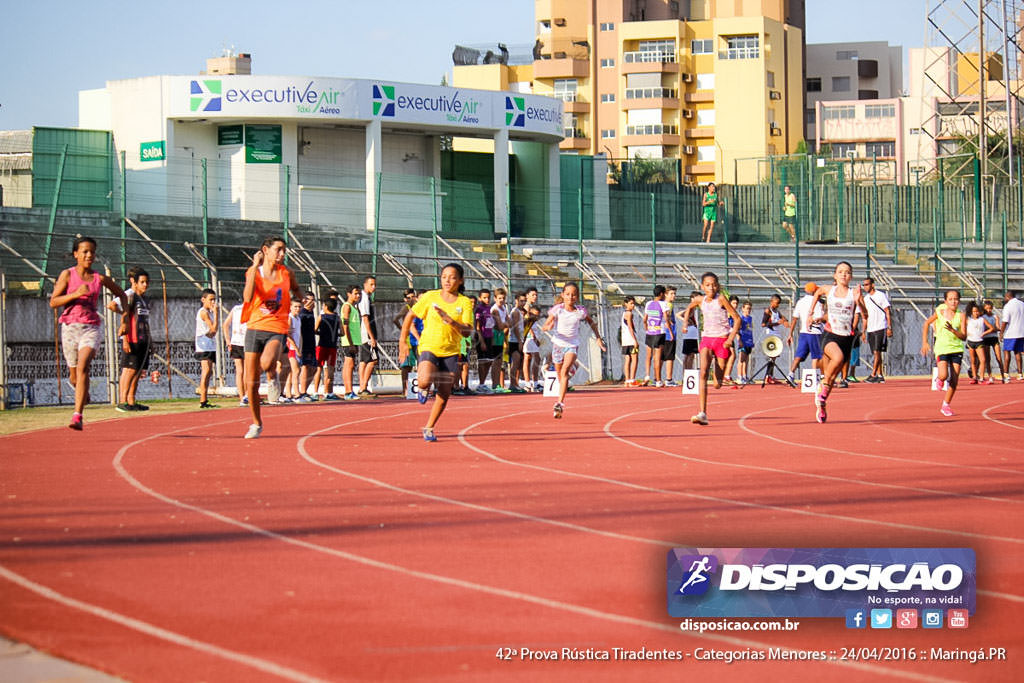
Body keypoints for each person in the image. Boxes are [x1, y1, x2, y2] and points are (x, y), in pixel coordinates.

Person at [50, 236, 128, 430]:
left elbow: (122, 295)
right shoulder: (67, 275)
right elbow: (53, 302)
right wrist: (75, 294)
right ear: (76, 254)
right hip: (70, 328)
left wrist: (124, 319)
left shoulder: (98, 278)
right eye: (84, 251)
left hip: (91, 327)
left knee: (84, 365)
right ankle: (82, 392)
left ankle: (78, 416)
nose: (89, 255)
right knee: (75, 376)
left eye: (92, 251)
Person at [399, 263, 475, 442]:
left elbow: (467, 331)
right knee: (424, 381)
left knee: (444, 391)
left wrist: (452, 322)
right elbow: (410, 316)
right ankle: (424, 389)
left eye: (452, 277)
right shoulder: (430, 297)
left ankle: (429, 427)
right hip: (429, 346)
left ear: (460, 280)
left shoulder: (464, 302)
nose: (447, 280)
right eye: (444, 276)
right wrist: (403, 341)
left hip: (450, 351)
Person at [241, 236, 302, 439]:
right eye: (278, 249)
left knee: (267, 362)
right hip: (254, 327)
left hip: (277, 327)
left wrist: (300, 301)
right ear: (265, 250)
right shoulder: (254, 272)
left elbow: (296, 289)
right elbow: (247, 297)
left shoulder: (286, 273)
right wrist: (254, 267)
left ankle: (273, 375)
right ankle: (256, 423)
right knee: (251, 382)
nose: (282, 254)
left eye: (284, 250)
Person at [808, 262, 870, 424]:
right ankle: (822, 385)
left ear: (851, 276)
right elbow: (817, 292)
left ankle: (821, 404)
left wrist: (859, 301)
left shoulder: (854, 293)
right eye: (840, 272)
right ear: (835, 275)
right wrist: (811, 313)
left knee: (832, 378)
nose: (844, 274)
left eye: (847, 272)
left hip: (846, 337)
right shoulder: (829, 290)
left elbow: (865, 315)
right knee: (837, 358)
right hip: (830, 335)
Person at [680, 272, 740, 425]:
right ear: (702, 286)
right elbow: (689, 307)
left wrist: (730, 339)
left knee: (717, 384)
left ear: (717, 286)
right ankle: (702, 412)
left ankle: (718, 373)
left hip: (722, 340)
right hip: (707, 339)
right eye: (707, 285)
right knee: (703, 372)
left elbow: (737, 319)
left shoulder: (721, 299)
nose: (711, 287)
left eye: (713, 284)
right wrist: (685, 323)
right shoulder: (700, 300)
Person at [541, 282, 606, 418]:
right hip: (558, 344)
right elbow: (546, 325)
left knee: (564, 372)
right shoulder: (557, 310)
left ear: (577, 296)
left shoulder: (580, 311)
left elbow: (591, 322)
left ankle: (559, 403)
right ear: (563, 295)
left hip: (572, 345)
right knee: (560, 376)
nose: (570, 297)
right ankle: (572, 370)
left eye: (574, 295)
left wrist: (598, 338)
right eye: (568, 294)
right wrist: (548, 326)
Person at [110, 266, 155, 412]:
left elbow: (145, 322)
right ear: (134, 282)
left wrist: (151, 342)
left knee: (137, 371)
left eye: (147, 282)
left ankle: (131, 400)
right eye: (142, 282)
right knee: (128, 370)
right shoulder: (129, 296)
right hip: (132, 338)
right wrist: (125, 338)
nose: (145, 285)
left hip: (143, 339)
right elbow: (115, 308)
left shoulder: (145, 300)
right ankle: (122, 401)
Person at [922, 290, 967, 417]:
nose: (954, 301)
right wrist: (925, 342)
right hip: (942, 348)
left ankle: (946, 405)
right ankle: (939, 379)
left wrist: (953, 330)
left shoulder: (961, 315)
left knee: (954, 379)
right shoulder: (940, 311)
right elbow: (926, 323)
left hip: (956, 349)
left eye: (956, 299)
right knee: (943, 375)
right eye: (951, 299)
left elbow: (963, 336)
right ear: (945, 301)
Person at [787, 282, 825, 384]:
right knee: (817, 356)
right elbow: (819, 318)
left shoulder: (800, 302)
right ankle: (815, 378)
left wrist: (790, 333)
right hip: (815, 332)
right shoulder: (817, 303)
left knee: (798, 356)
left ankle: (790, 374)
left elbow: (795, 319)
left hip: (803, 332)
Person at [861, 277, 893, 383]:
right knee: (876, 352)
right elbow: (865, 316)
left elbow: (887, 311)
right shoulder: (865, 299)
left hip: (880, 327)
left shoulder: (881, 295)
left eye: (867, 284)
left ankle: (873, 374)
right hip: (870, 328)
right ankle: (880, 375)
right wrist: (863, 331)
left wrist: (889, 327)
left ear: (872, 285)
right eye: (864, 285)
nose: (865, 287)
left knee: (877, 352)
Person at [393, 288, 422, 396]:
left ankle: (418, 388)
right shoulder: (407, 308)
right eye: (408, 298)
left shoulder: (418, 307)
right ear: (405, 299)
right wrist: (403, 329)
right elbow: (395, 319)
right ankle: (404, 389)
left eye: (412, 297)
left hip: (417, 338)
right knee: (406, 366)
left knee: (420, 365)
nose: (410, 299)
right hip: (408, 340)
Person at [194, 288, 219, 409]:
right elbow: (213, 330)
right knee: (206, 371)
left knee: (209, 372)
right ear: (203, 300)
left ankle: (205, 398)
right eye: (211, 300)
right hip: (203, 345)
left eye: (214, 299)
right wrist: (217, 314)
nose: (213, 302)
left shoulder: (209, 312)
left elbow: (213, 331)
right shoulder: (203, 312)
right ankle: (202, 400)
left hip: (210, 345)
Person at [339, 285, 363, 400]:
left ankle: (349, 391)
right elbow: (345, 326)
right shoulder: (347, 307)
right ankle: (348, 391)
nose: (358, 296)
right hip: (348, 341)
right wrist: (351, 343)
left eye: (359, 294)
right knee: (349, 365)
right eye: (355, 293)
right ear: (349, 294)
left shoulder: (354, 307)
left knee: (350, 365)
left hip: (354, 341)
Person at [315, 296, 341, 400]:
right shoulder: (337, 318)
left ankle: (315, 392)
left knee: (318, 369)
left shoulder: (321, 317)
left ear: (325, 306)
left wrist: (321, 333)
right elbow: (342, 333)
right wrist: (334, 335)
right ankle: (328, 392)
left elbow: (315, 329)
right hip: (332, 347)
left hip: (322, 346)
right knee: (330, 370)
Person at [223, 298, 248, 406]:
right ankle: (246, 395)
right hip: (246, 342)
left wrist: (228, 340)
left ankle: (242, 397)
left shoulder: (235, 309)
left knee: (240, 371)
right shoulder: (250, 309)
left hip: (236, 342)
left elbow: (225, 325)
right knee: (246, 371)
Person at [356, 275, 379, 397]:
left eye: (375, 284)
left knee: (364, 361)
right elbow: (365, 318)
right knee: (373, 360)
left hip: (363, 334)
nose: (373, 287)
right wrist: (372, 336)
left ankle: (362, 387)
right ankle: (363, 387)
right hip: (366, 333)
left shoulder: (365, 297)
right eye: (371, 284)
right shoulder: (364, 298)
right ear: (365, 285)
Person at [642, 285, 667, 386]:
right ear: (661, 294)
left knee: (648, 356)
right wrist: (669, 329)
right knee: (657, 357)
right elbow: (666, 318)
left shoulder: (648, 303)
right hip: (659, 332)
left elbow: (645, 319)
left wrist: (646, 328)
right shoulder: (663, 304)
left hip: (650, 332)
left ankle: (647, 375)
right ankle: (658, 380)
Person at [965, 302, 995, 385]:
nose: (976, 313)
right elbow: (963, 327)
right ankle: (974, 377)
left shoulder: (982, 319)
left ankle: (981, 378)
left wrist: (984, 333)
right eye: (974, 311)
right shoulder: (968, 320)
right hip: (971, 341)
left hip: (979, 341)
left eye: (977, 311)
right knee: (973, 361)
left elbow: (991, 328)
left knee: (983, 360)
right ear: (971, 312)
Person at [296, 292, 318, 401]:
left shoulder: (311, 313)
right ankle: (302, 392)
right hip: (303, 344)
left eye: (313, 300)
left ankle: (305, 390)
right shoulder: (302, 313)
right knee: (305, 366)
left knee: (314, 368)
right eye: (309, 299)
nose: (311, 302)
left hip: (311, 343)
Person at [474, 288, 496, 393]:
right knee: (482, 361)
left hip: (489, 337)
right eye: (484, 297)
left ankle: (483, 383)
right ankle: (481, 384)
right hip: (482, 337)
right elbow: (478, 327)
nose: (487, 299)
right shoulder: (479, 309)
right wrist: (481, 341)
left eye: (488, 297)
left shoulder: (489, 309)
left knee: (489, 361)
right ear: (480, 298)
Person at [490, 287, 511, 393]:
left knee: (499, 361)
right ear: (495, 298)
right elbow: (499, 326)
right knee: (495, 361)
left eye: (503, 298)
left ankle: (498, 384)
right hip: (494, 335)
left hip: (501, 335)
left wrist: (505, 324)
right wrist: (505, 324)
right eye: (499, 298)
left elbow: (509, 323)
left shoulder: (504, 308)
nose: (501, 300)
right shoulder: (495, 309)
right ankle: (494, 384)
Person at [981, 300, 1007, 383]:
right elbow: (983, 329)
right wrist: (991, 329)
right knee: (988, 359)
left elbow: (998, 327)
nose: (989, 310)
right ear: (984, 308)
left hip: (994, 338)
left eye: (990, 308)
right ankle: (990, 376)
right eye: (987, 308)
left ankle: (1003, 376)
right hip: (986, 338)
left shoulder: (995, 316)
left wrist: (992, 329)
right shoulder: (983, 317)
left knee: (999, 357)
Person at [1001, 290, 1024, 380]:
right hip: (1021, 333)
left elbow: (1005, 321)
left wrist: (1001, 333)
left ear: (1007, 296)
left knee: (1007, 352)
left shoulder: (1008, 306)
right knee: (1018, 353)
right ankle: (1020, 373)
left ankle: (1006, 373)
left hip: (1010, 333)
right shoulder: (1022, 304)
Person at [282, 299, 302, 401]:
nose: (297, 309)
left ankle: (289, 394)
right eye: (295, 307)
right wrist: (295, 347)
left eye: (299, 307)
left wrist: (300, 347)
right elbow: (288, 334)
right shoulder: (290, 318)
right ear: (290, 307)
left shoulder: (298, 318)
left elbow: (299, 334)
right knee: (296, 370)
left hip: (297, 346)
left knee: (291, 372)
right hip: (291, 347)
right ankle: (297, 393)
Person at [677, 291, 702, 371]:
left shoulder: (693, 308)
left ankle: (687, 372)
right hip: (690, 334)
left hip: (692, 333)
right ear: (693, 299)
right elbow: (679, 314)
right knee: (689, 354)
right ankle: (687, 371)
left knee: (690, 354)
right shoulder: (690, 308)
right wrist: (686, 321)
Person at [522, 304, 543, 392]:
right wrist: (534, 338)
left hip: (533, 339)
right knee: (529, 358)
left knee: (534, 359)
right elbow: (528, 327)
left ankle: (534, 382)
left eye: (537, 315)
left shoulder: (535, 320)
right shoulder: (528, 318)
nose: (536, 317)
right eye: (534, 314)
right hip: (529, 339)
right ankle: (528, 383)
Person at [620, 296, 639, 386]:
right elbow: (630, 328)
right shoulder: (629, 314)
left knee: (627, 359)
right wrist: (635, 340)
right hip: (630, 340)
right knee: (635, 359)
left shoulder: (624, 313)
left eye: (633, 303)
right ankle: (632, 380)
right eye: (631, 303)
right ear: (626, 304)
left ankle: (627, 380)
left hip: (625, 340)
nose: (633, 305)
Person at [661, 286, 679, 386]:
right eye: (672, 294)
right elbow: (666, 316)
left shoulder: (662, 304)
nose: (674, 296)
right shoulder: (668, 305)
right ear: (666, 294)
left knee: (661, 357)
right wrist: (669, 322)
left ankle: (657, 378)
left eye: (675, 294)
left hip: (662, 333)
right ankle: (669, 379)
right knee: (669, 357)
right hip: (669, 334)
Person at [722, 295, 741, 385]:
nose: (735, 305)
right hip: (724, 336)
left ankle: (726, 375)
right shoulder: (726, 312)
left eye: (736, 303)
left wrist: (737, 335)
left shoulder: (734, 314)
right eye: (733, 303)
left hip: (730, 336)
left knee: (731, 355)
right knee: (731, 355)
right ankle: (725, 376)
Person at [736, 301, 755, 384]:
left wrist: (751, 340)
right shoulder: (740, 319)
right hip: (743, 341)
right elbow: (737, 330)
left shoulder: (750, 318)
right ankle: (739, 377)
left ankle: (744, 376)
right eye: (747, 308)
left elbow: (750, 330)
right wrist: (739, 340)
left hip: (749, 342)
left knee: (746, 360)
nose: (748, 310)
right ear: (743, 309)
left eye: (750, 309)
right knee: (741, 359)